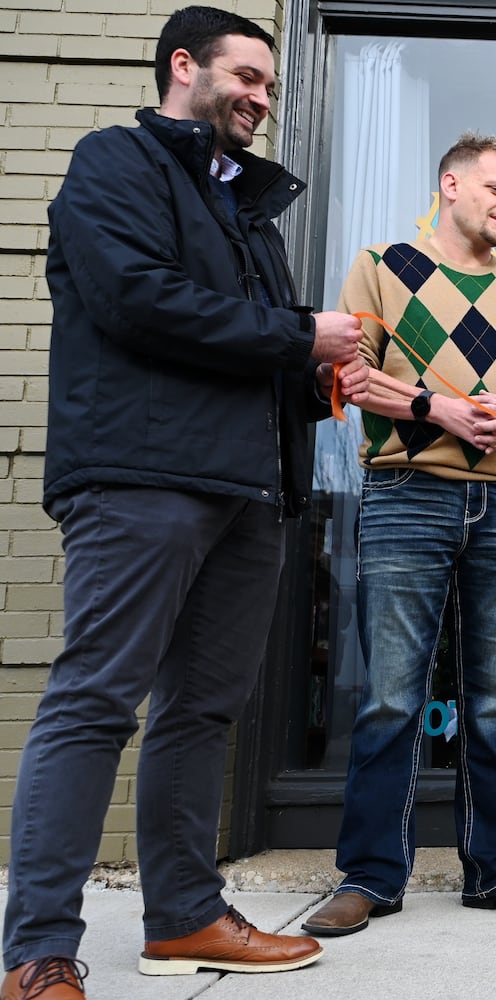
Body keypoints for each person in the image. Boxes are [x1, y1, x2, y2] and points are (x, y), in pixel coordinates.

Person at [1, 7, 369, 997]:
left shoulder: (245, 212)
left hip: (250, 491)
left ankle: (185, 915)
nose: (257, 96)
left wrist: (326, 376)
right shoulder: (114, 164)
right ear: (183, 67)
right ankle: (37, 950)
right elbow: (137, 300)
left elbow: (257, 351)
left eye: (266, 84)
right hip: (141, 480)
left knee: (202, 711)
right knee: (92, 703)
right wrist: (299, 336)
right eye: (243, 76)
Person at [300, 133, 496, 938]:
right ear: (449, 185)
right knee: (392, 696)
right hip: (406, 496)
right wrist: (437, 408)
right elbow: (346, 378)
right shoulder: (384, 264)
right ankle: (370, 877)